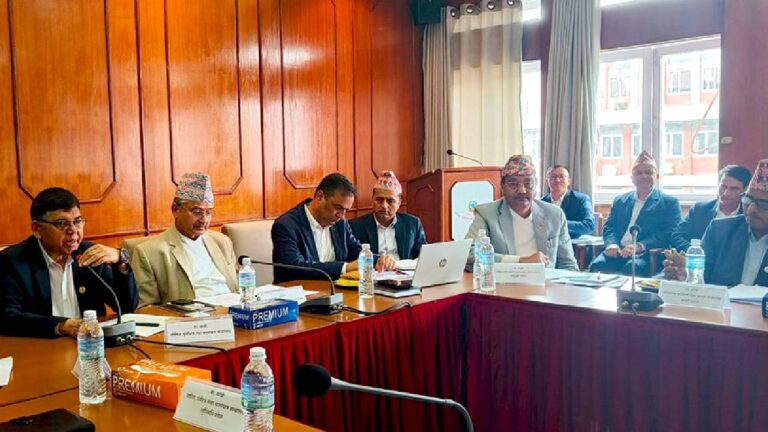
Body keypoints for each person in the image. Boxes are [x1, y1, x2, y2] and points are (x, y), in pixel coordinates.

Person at [0, 188, 137, 338]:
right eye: (61, 223)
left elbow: (127, 306)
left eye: (77, 221)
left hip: (89, 344)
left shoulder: (88, 254)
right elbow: (7, 317)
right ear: (37, 229)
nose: (73, 230)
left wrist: (121, 261)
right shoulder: (12, 261)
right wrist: (61, 326)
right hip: (40, 346)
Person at [130, 173, 237, 305]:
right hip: (193, 315)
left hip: (234, 310)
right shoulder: (149, 252)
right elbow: (146, 308)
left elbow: (240, 288)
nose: (204, 220)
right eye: (197, 212)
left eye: (208, 212)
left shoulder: (222, 242)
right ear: (175, 210)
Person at [272, 173, 397, 283]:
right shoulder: (286, 225)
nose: (341, 215)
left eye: (346, 210)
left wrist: (379, 260)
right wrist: (345, 268)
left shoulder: (340, 223)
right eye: (338, 207)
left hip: (337, 293)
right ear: (320, 196)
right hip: (299, 295)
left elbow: (356, 251)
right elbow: (294, 268)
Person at [465, 155, 578, 271]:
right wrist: (520, 261)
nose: (522, 190)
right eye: (513, 184)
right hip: (504, 281)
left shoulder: (555, 215)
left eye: (528, 184)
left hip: (546, 281)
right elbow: (469, 253)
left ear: (536, 185)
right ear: (502, 186)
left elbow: (568, 264)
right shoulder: (487, 213)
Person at [664, 159, 768, 286]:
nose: (751, 209)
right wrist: (685, 275)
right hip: (724, 298)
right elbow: (702, 274)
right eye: (747, 199)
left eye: (763, 203)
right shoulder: (719, 228)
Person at [590, 151, 681, 277]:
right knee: (597, 266)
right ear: (632, 178)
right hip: (618, 251)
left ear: (657, 176)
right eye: (638, 173)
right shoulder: (620, 201)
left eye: (648, 172)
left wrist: (639, 246)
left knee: (632, 268)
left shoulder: (669, 203)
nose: (643, 176)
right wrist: (612, 244)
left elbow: (669, 233)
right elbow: (609, 227)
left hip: (647, 254)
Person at [669, 164, 752, 252]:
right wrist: (696, 252)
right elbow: (677, 236)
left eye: (734, 189)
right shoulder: (700, 210)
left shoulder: (749, 215)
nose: (726, 193)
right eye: (723, 186)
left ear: (745, 190)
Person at [349, 171, 426, 261]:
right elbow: (353, 258)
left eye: (390, 201)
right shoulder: (356, 226)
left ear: (399, 203)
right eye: (379, 200)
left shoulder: (413, 223)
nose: (384, 206)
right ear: (372, 200)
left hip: (405, 269)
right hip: (374, 269)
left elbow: (423, 255)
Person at [541, 164, 595, 239]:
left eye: (561, 176)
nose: (557, 180)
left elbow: (589, 226)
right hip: (546, 244)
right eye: (553, 177)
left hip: (573, 243)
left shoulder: (581, 199)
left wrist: (558, 223)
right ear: (547, 181)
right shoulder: (541, 203)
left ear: (568, 181)